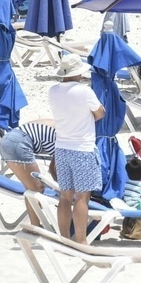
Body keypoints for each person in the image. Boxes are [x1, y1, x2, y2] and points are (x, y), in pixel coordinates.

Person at [48, 54, 106, 243]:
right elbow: (100, 113)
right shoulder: (84, 91)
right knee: (82, 197)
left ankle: (64, 237)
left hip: (62, 147)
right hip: (82, 148)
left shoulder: (53, 91)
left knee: (65, 196)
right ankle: (81, 240)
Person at [0, 121, 58, 225]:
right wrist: (60, 190)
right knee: (36, 188)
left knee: (31, 188)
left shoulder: (60, 125)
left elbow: (52, 168)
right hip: (19, 142)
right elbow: (55, 168)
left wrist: (57, 187)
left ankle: (34, 225)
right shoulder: (66, 137)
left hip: (7, 139)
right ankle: (34, 227)